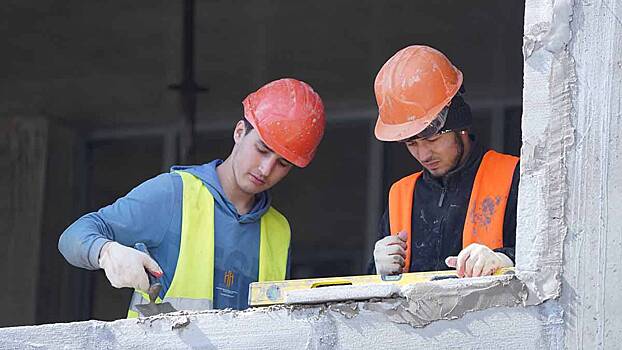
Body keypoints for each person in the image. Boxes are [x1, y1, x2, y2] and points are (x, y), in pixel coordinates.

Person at [58, 78, 326, 317]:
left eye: (283, 163)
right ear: (239, 132)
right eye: (262, 149)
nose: (266, 169)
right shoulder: (173, 195)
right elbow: (73, 235)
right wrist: (106, 252)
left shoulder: (279, 232)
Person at [369, 45, 519, 278]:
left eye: (432, 138)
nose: (423, 154)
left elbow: (550, 263)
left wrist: (505, 259)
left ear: (459, 124)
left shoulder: (512, 176)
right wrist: (377, 271)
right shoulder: (401, 195)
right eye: (411, 144)